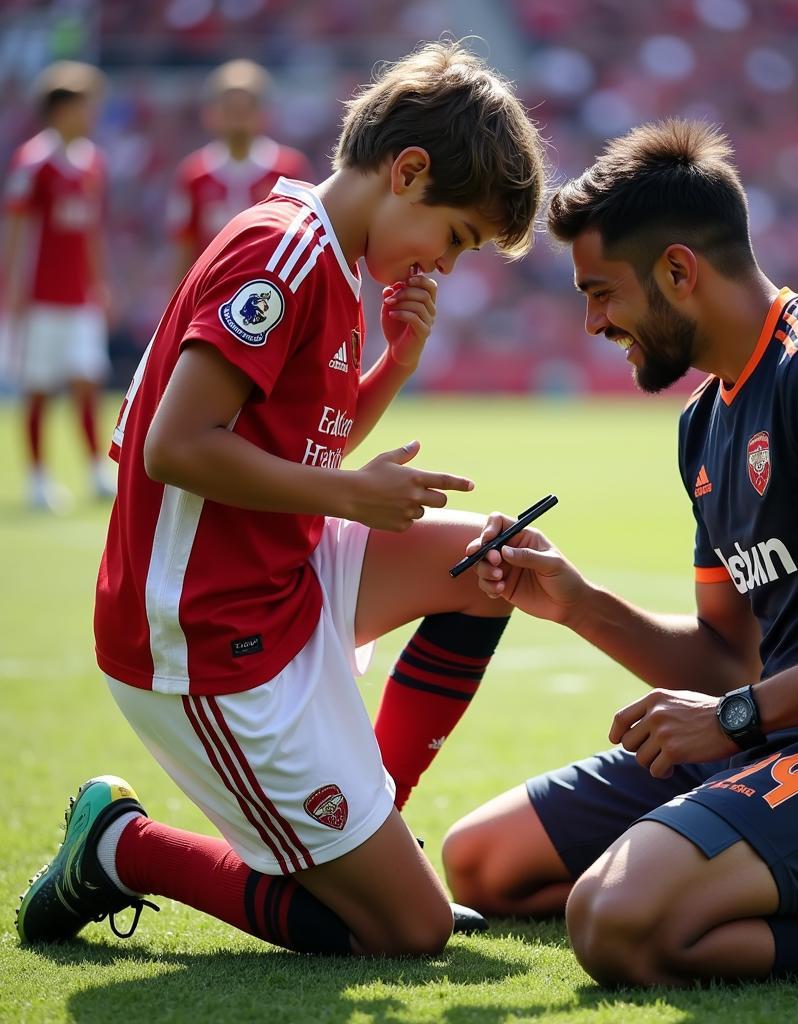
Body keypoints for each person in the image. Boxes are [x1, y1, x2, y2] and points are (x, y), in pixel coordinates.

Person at [441, 118, 798, 991]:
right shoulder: (705, 421)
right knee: (484, 863)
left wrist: (741, 717)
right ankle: (736, 876)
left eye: (602, 293)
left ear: (679, 270)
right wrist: (577, 602)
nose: (593, 321)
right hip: (785, 736)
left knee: (614, 922)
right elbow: (729, 655)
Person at [15, 41, 545, 958]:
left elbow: (304, 444)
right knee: (407, 932)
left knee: (488, 564)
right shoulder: (285, 251)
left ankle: (366, 825)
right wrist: (351, 494)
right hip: (205, 632)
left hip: (278, 572)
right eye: (456, 237)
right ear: (409, 172)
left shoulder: (334, 258)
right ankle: (121, 847)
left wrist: (395, 368)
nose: (448, 266)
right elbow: (175, 447)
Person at [2, 60, 115, 510]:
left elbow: (91, 231)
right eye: (85, 104)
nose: (91, 113)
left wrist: (99, 283)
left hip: (79, 297)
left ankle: (92, 468)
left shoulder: (92, 162)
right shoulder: (32, 162)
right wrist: (12, 286)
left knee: (87, 380)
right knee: (39, 387)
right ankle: (36, 477)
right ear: (61, 109)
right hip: (41, 296)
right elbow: (16, 228)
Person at [168, 59, 312, 283]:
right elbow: (185, 244)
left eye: (246, 108)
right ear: (212, 113)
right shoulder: (194, 174)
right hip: (211, 290)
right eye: (230, 109)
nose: (238, 119)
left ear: (263, 113)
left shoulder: (288, 170)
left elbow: (304, 241)